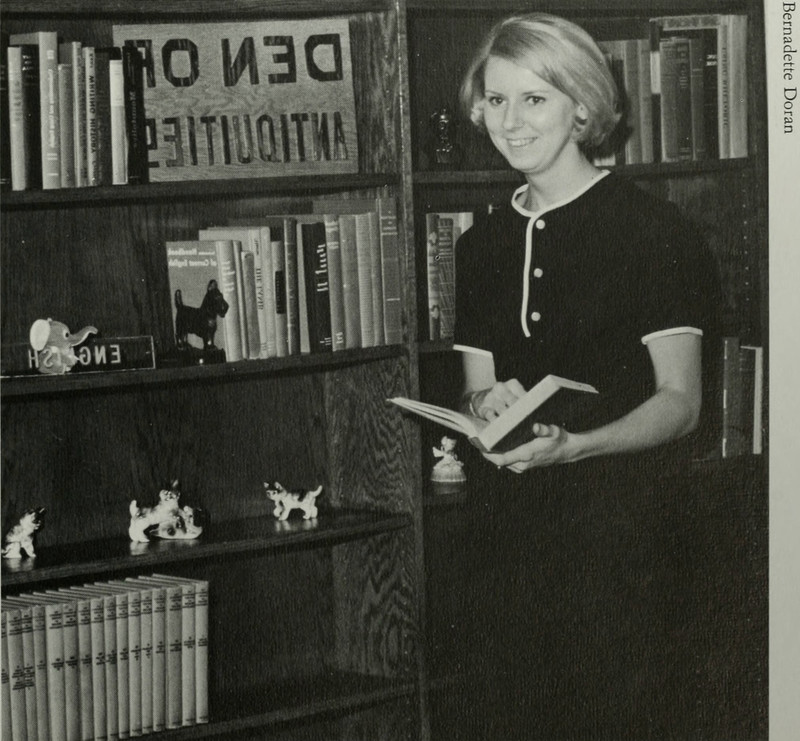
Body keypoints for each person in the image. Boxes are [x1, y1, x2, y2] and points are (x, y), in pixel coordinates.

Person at [448, 12, 723, 740]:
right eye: (496, 99)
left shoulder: (654, 231)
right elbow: (474, 388)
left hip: (623, 546)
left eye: (534, 99)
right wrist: (483, 402)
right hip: (505, 546)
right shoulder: (479, 246)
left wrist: (577, 446)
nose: (511, 121)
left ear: (583, 107)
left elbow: (682, 402)